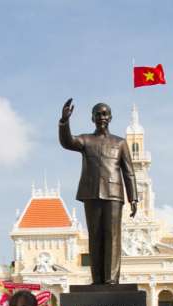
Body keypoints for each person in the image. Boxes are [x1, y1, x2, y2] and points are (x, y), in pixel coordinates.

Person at [59, 99, 138, 284]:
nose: (101, 117)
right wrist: (64, 122)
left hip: (114, 194)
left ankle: (111, 280)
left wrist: (133, 198)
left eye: (104, 114)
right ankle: (97, 279)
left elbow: (129, 172)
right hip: (91, 193)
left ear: (110, 117)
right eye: (98, 114)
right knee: (95, 237)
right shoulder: (86, 140)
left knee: (113, 237)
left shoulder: (120, 143)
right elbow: (67, 142)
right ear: (92, 118)